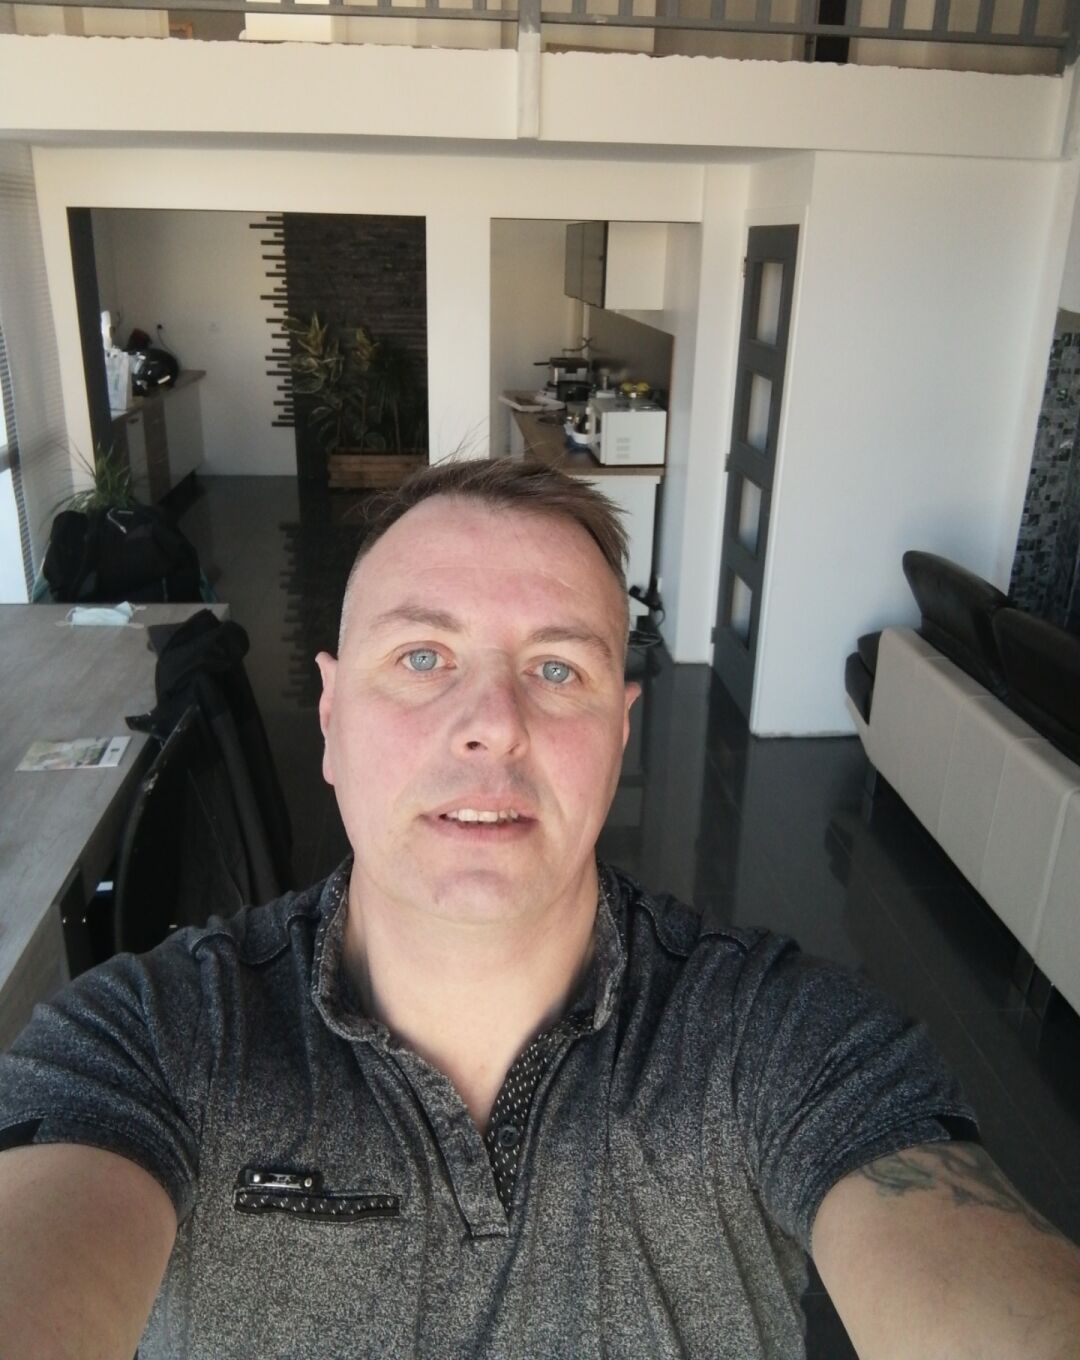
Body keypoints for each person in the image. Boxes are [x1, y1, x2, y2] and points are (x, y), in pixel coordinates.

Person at [1, 457, 1078, 1360]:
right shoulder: (144, 1043)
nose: (494, 724)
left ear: (621, 730)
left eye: (557, 670)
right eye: (423, 657)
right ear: (330, 716)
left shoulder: (790, 1042)